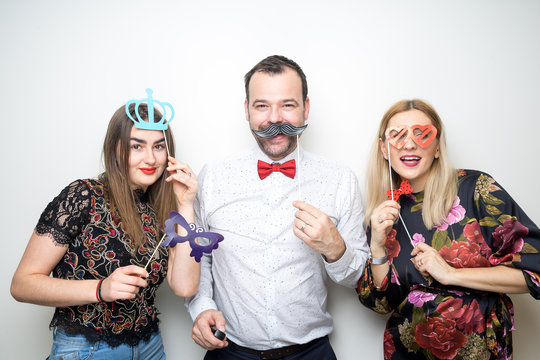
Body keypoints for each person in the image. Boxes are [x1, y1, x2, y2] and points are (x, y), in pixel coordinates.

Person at [186, 55, 369, 359]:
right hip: (229, 352)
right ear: (246, 109)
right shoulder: (213, 177)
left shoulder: (339, 179)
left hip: (312, 353)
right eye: (262, 106)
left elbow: (355, 277)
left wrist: (335, 248)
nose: (274, 119)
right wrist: (202, 307)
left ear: (305, 108)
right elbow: (199, 258)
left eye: (287, 105)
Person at [11, 101, 200, 359]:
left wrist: (186, 205)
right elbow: (22, 284)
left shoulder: (161, 210)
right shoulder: (84, 196)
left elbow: (185, 287)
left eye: (158, 146)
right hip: (88, 349)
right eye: (137, 146)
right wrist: (100, 289)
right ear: (115, 149)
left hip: (151, 347)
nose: (151, 158)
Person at [357, 99, 540, 359]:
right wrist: (376, 245)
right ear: (384, 149)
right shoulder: (385, 212)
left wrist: (451, 274)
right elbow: (381, 303)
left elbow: (535, 272)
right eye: (397, 135)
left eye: (422, 134)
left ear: (437, 147)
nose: (409, 144)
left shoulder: (476, 189)